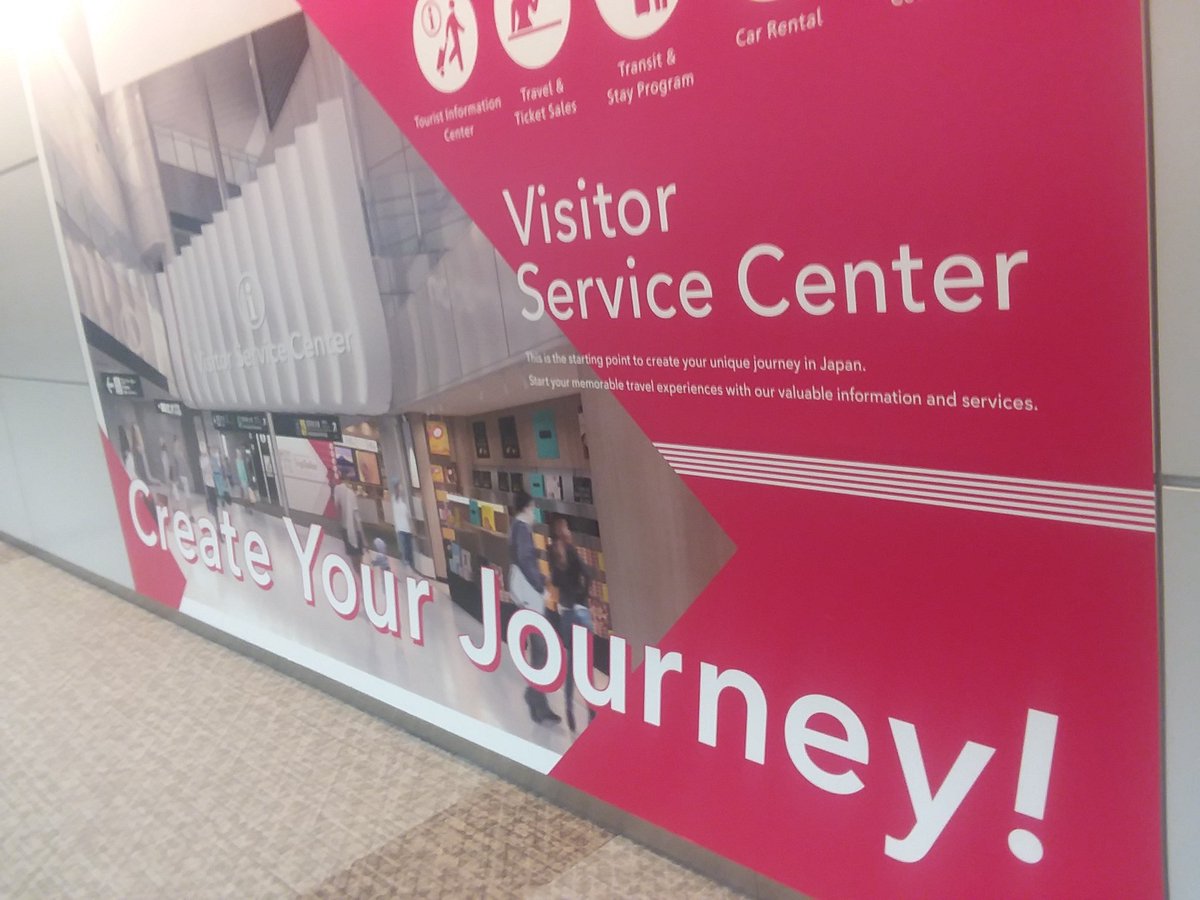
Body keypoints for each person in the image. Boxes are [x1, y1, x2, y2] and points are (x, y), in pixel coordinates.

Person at [508, 490, 559, 725]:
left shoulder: (515, 528)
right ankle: (535, 697)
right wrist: (540, 585)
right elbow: (526, 560)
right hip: (530, 596)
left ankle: (538, 701)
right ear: (528, 507)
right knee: (541, 649)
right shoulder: (522, 529)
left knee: (539, 649)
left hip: (524, 594)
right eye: (533, 507)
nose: (535, 511)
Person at [549, 515, 595, 732]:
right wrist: (583, 596)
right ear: (564, 531)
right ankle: (592, 711)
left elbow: (556, 581)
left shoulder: (552, 553)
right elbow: (587, 575)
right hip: (580, 611)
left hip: (566, 613)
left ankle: (568, 706)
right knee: (586, 665)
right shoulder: (572, 550)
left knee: (571, 665)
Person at [333, 469, 365, 573]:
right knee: (358, 555)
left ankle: (358, 573)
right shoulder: (350, 493)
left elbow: (337, 508)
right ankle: (360, 574)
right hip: (354, 528)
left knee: (353, 555)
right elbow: (356, 515)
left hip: (345, 527)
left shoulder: (338, 490)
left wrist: (339, 523)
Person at [391, 480, 415, 569]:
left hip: (406, 527)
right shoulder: (395, 499)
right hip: (400, 528)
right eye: (400, 487)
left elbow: (408, 515)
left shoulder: (403, 500)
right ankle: (406, 563)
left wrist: (411, 527)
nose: (401, 489)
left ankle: (410, 563)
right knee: (404, 546)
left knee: (408, 547)